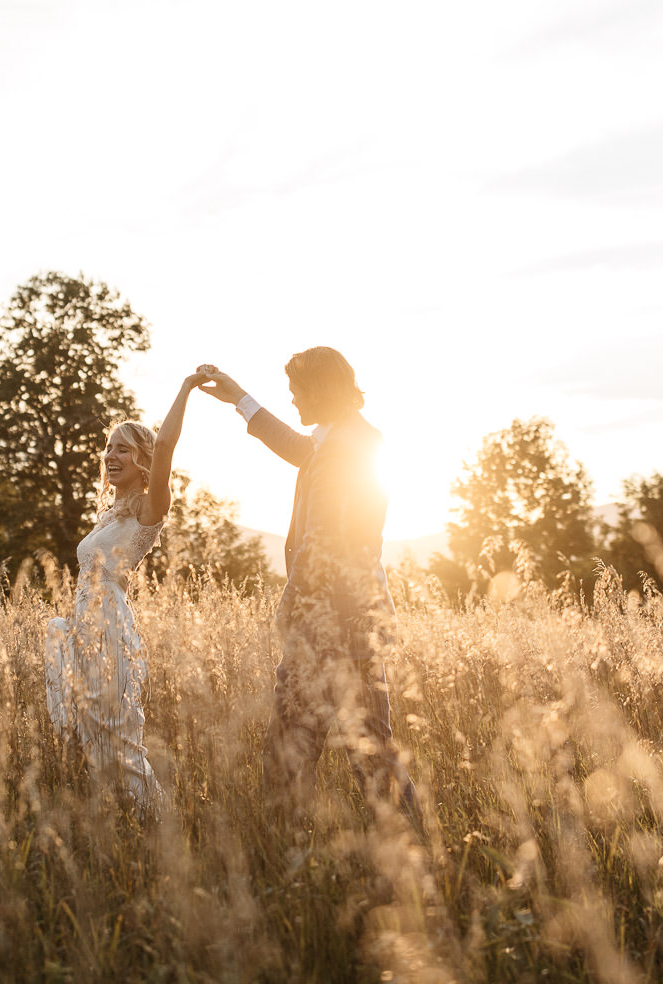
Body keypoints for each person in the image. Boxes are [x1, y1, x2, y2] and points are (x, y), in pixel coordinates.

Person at [196, 349, 418, 819]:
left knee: (290, 750)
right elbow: (300, 450)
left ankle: (286, 849)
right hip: (358, 618)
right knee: (372, 751)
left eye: (297, 391)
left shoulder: (340, 448)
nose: (293, 399)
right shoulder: (347, 437)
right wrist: (239, 398)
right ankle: (414, 845)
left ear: (319, 390)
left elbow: (319, 543)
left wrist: (290, 612)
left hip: (327, 621)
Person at [45, 373, 203, 809]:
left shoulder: (149, 509)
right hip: (84, 626)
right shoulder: (110, 514)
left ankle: (157, 818)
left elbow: (166, 445)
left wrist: (186, 387)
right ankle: (119, 820)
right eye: (109, 448)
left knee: (117, 735)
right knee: (93, 734)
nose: (110, 456)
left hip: (109, 628)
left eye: (122, 449)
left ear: (142, 460)